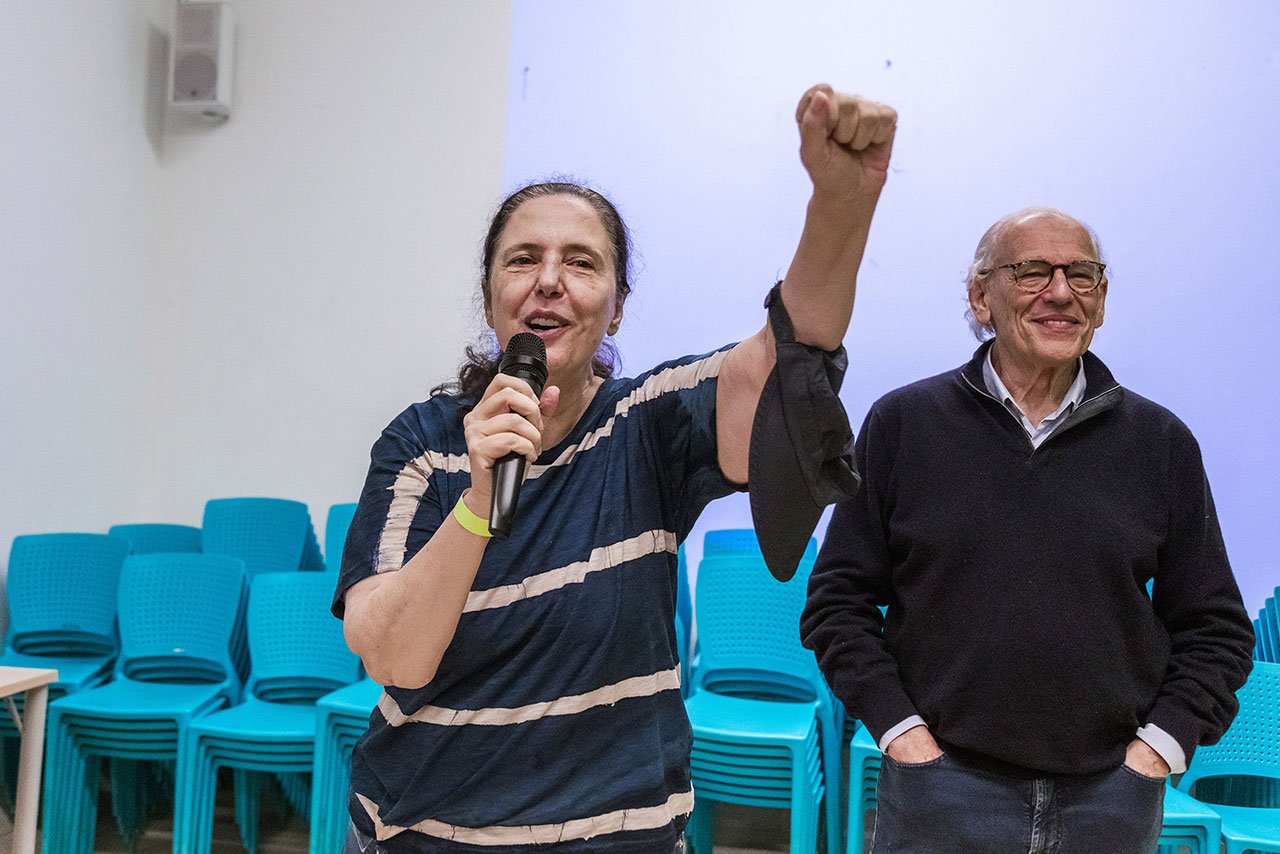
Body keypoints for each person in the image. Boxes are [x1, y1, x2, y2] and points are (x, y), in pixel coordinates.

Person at [332, 83, 897, 853]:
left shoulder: (647, 423)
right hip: (426, 829)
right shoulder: (423, 444)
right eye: (523, 259)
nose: (549, 280)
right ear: (492, 295)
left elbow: (783, 363)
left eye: (582, 262)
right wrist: (476, 499)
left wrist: (841, 205)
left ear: (617, 305)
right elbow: (394, 654)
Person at [801, 206, 1255, 853]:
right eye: (1033, 271)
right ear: (980, 297)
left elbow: (1216, 629)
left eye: (1083, 276)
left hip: (1110, 803)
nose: (1062, 292)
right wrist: (899, 730)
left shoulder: (1162, 445)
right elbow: (837, 603)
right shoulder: (904, 426)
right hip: (940, 791)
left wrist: (1157, 749)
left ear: (1101, 303)